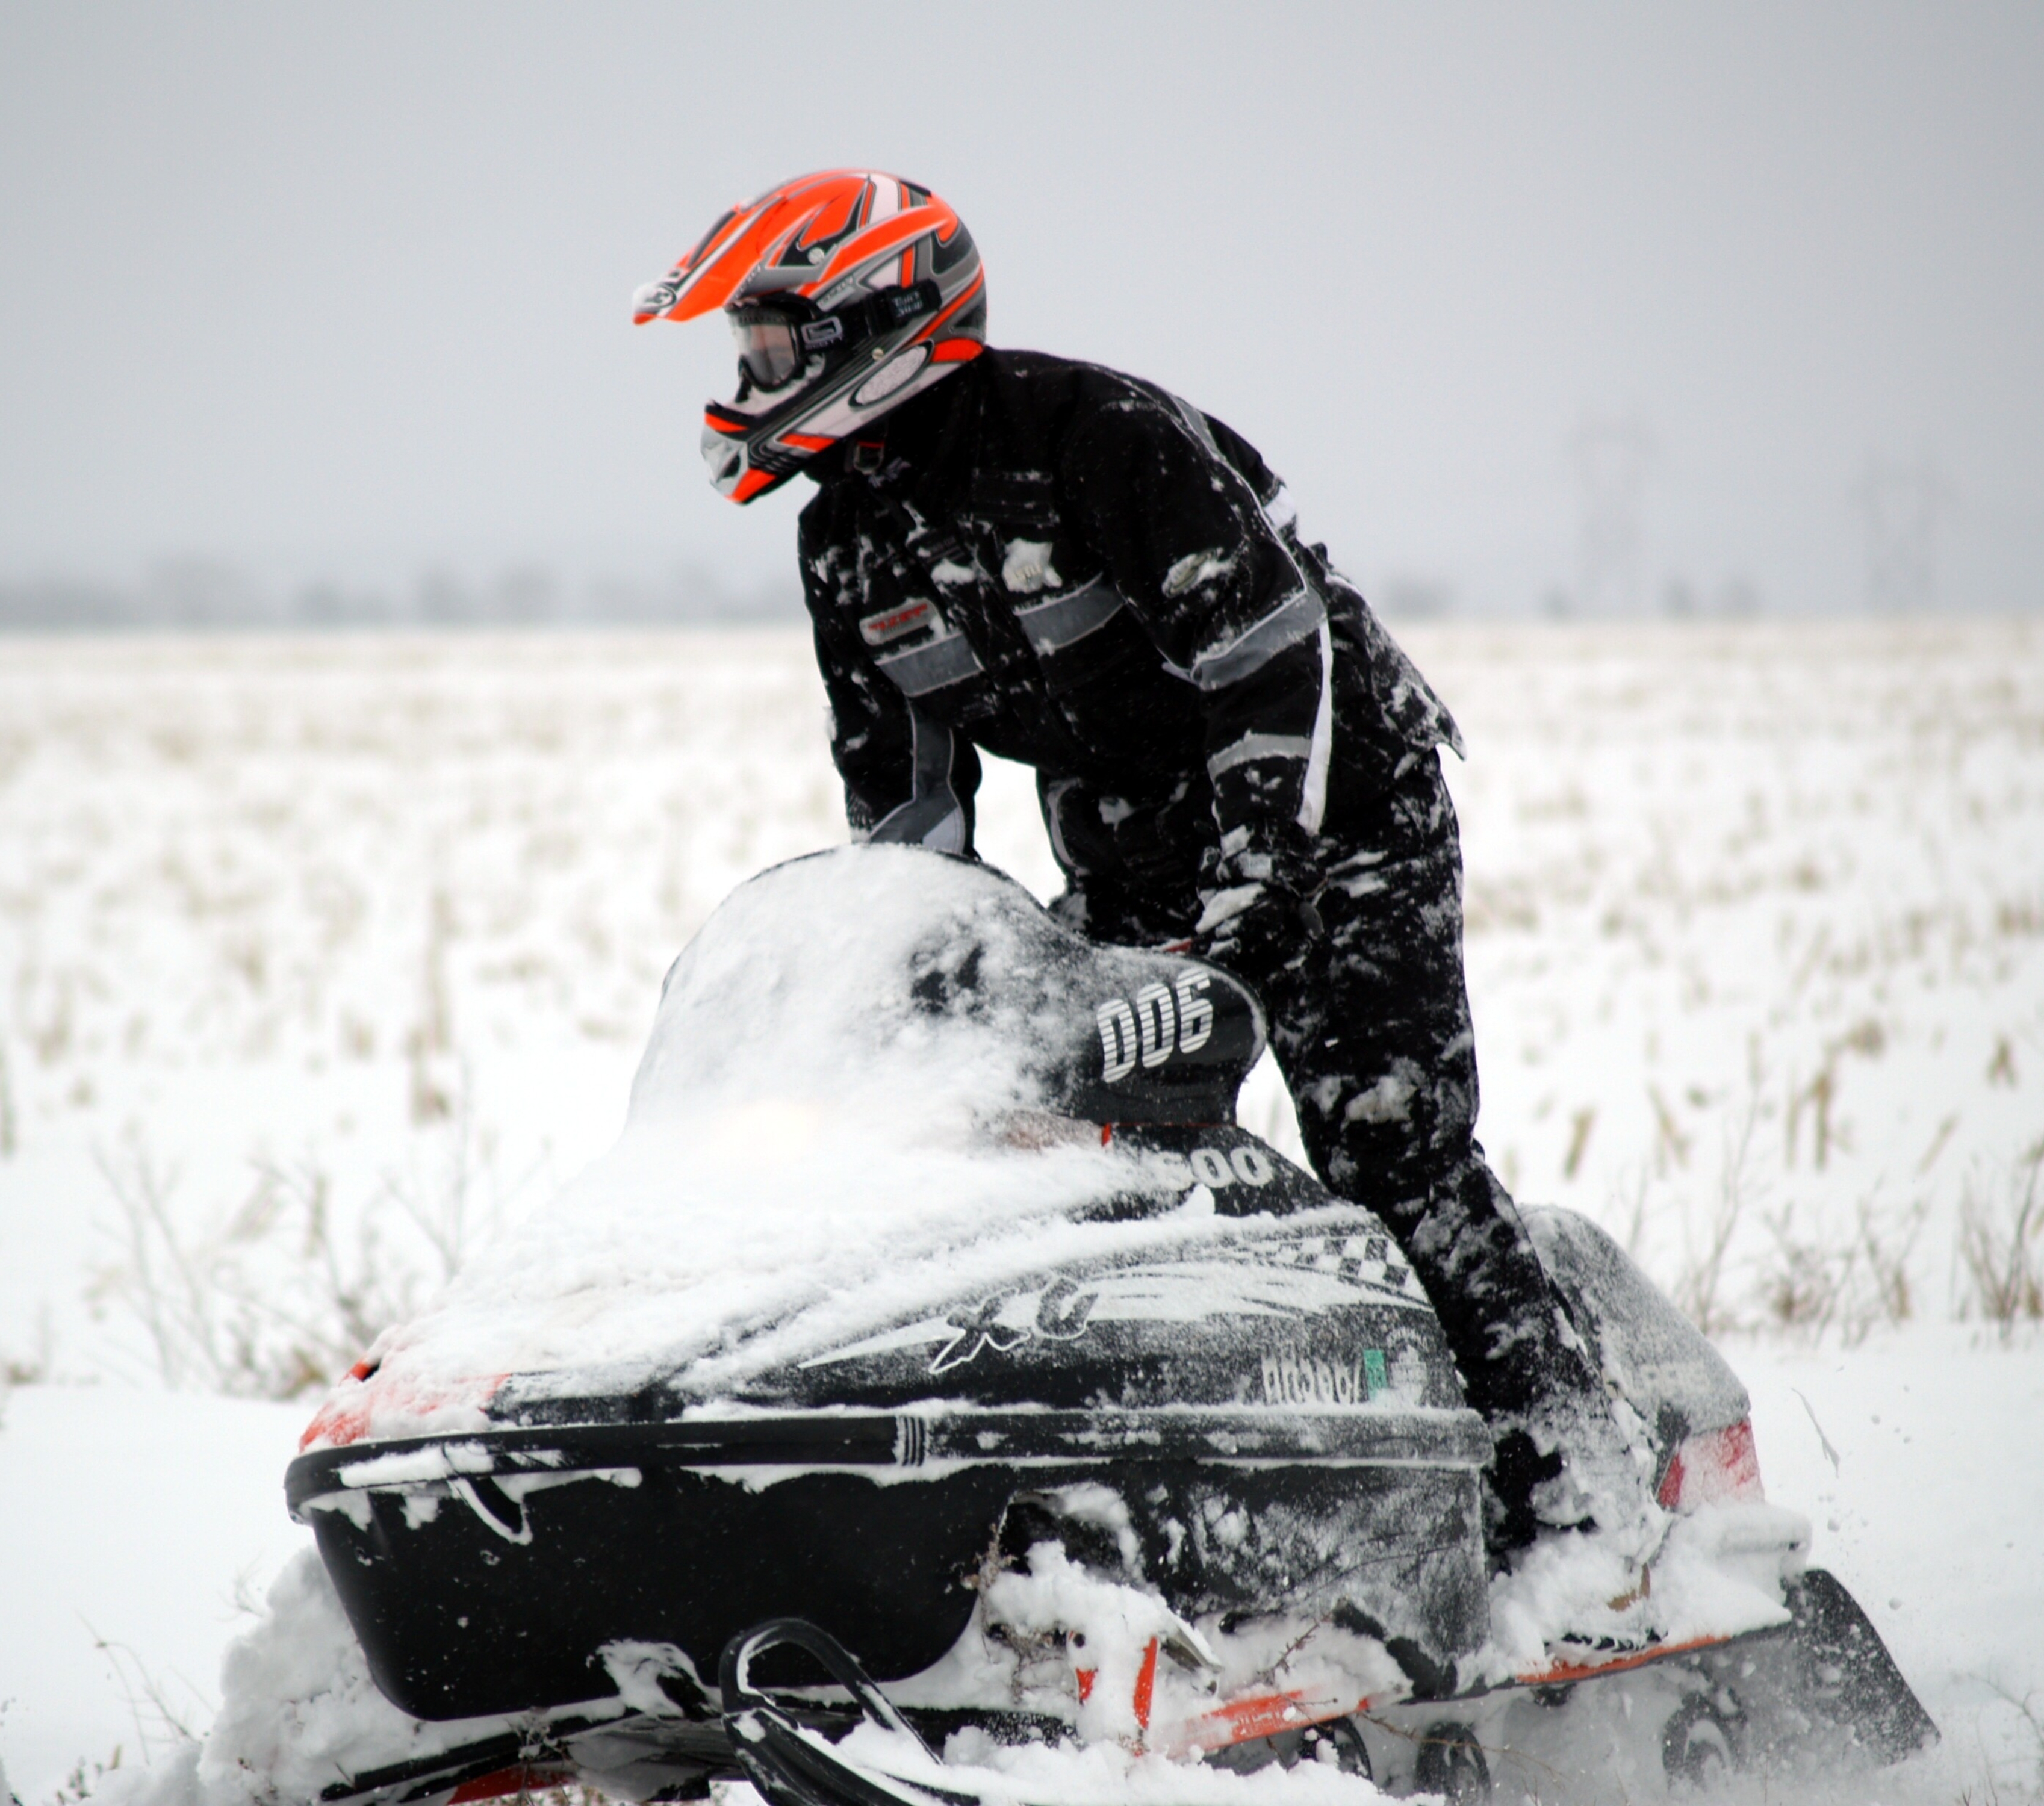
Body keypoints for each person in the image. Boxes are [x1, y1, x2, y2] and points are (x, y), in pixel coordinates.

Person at [633, 169, 1656, 1580]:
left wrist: (1253, 890)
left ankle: (1577, 1502)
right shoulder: (842, 535)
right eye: (742, 342)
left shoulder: (1090, 436)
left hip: (1337, 803)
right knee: (1070, 1145)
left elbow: (1263, 655)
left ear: (879, 320)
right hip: (1130, 851)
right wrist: (931, 984)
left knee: (1385, 1143)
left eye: (771, 338)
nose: (748, 371)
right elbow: (905, 804)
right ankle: (1156, 1520)